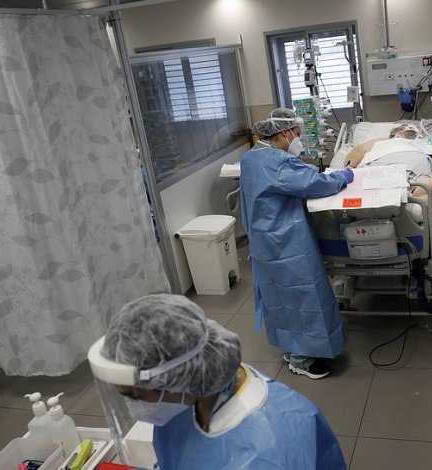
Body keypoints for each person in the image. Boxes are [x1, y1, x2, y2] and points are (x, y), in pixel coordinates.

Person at [87, 294, 346, 470]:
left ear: (171, 380)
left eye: (135, 396)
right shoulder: (189, 396)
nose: (134, 406)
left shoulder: (269, 452)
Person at [238, 108, 354, 380]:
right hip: (286, 241)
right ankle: (302, 359)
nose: (298, 140)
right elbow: (315, 183)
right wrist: (344, 176)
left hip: (263, 240)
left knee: (280, 298)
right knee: (304, 296)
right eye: (297, 135)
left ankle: (293, 349)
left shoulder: (251, 158)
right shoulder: (277, 162)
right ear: (283, 133)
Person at [345, 123, 432, 211]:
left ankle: (420, 202)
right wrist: (350, 165)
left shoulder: (423, 142)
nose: (409, 127)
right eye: (404, 127)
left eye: (412, 127)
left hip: (416, 170)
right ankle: (415, 207)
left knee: (429, 183)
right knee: (367, 185)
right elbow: (359, 150)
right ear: (394, 133)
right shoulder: (381, 141)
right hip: (382, 166)